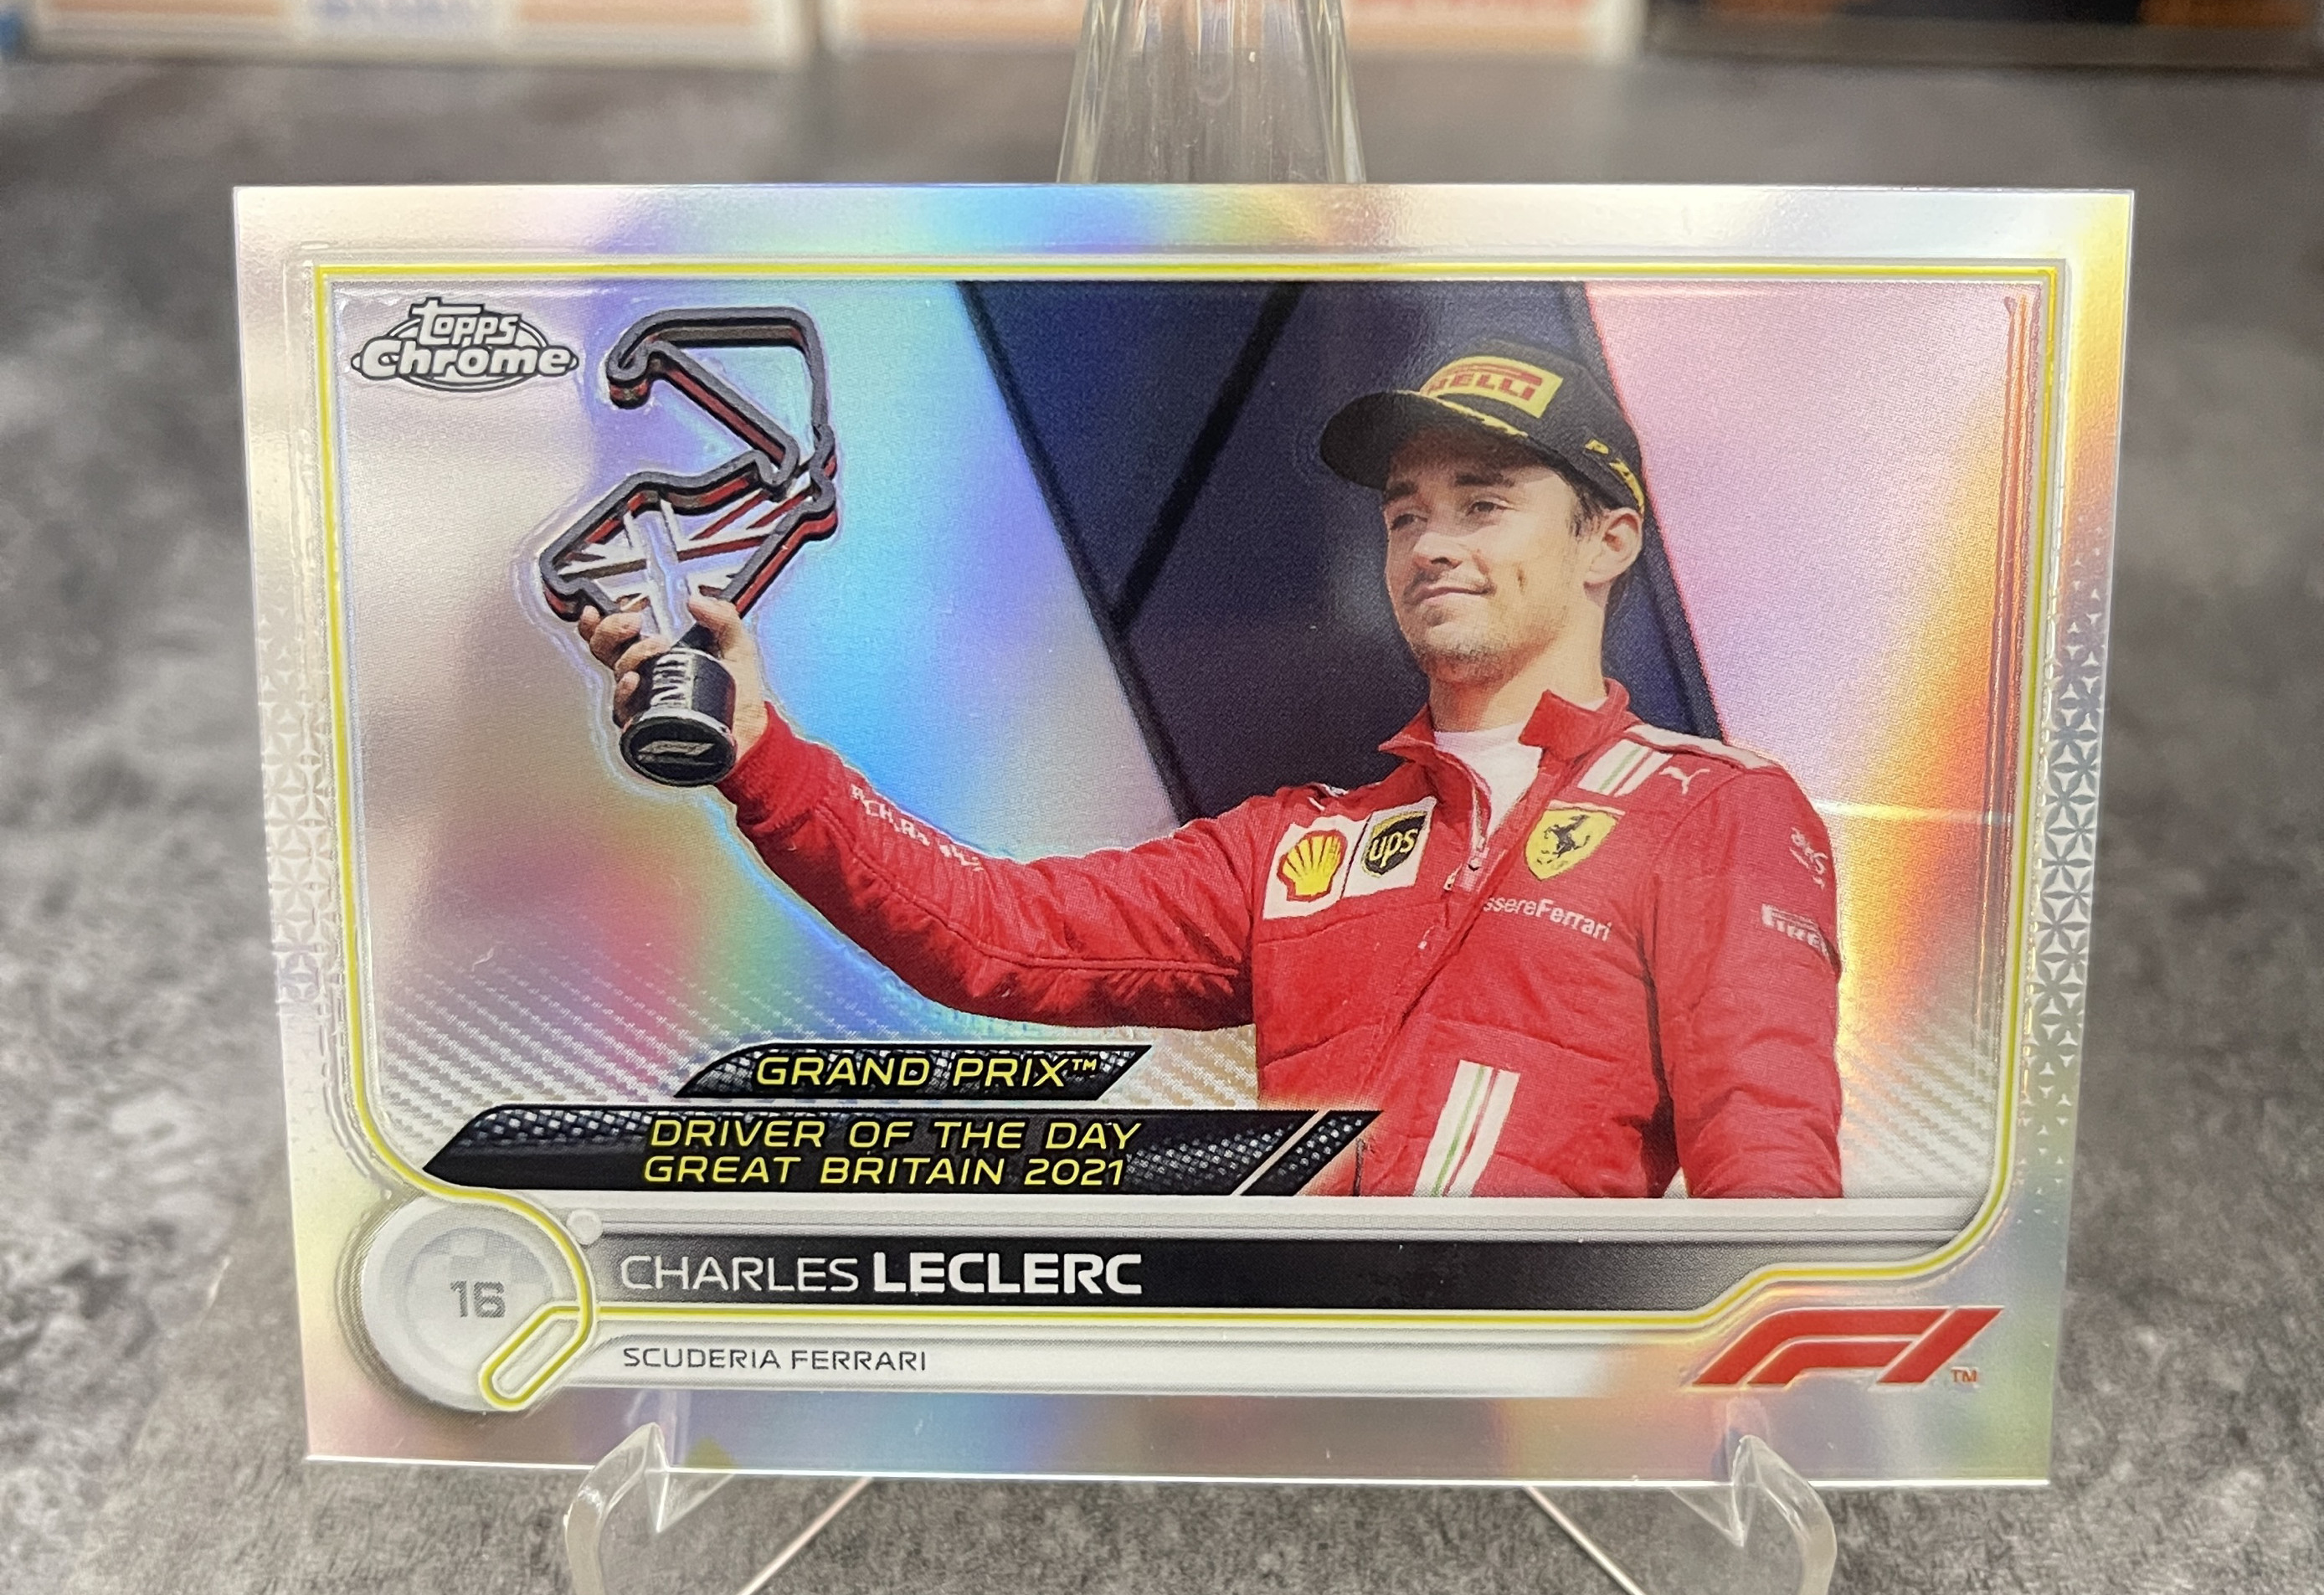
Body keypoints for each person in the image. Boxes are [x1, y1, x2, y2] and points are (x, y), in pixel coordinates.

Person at [579, 339, 1843, 1199]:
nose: (1429, 545)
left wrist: (1776, 1406)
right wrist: (763, 754)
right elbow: (994, 932)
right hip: (1298, 1390)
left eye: (1483, 503)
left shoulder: (1713, 808)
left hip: (1537, 1395)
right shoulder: (1300, 845)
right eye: (1405, 514)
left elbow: (1767, 1145)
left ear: (1607, 539)